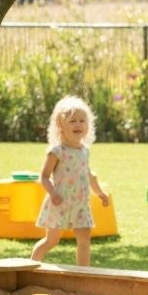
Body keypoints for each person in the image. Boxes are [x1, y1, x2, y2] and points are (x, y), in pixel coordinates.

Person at [30, 95, 110, 267]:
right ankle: (31, 266)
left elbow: (88, 174)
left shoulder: (84, 151)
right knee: (51, 241)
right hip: (60, 202)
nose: (78, 124)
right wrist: (53, 193)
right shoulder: (57, 151)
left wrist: (100, 193)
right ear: (61, 126)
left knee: (84, 240)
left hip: (80, 203)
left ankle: (83, 273)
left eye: (82, 121)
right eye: (73, 121)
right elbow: (43, 176)